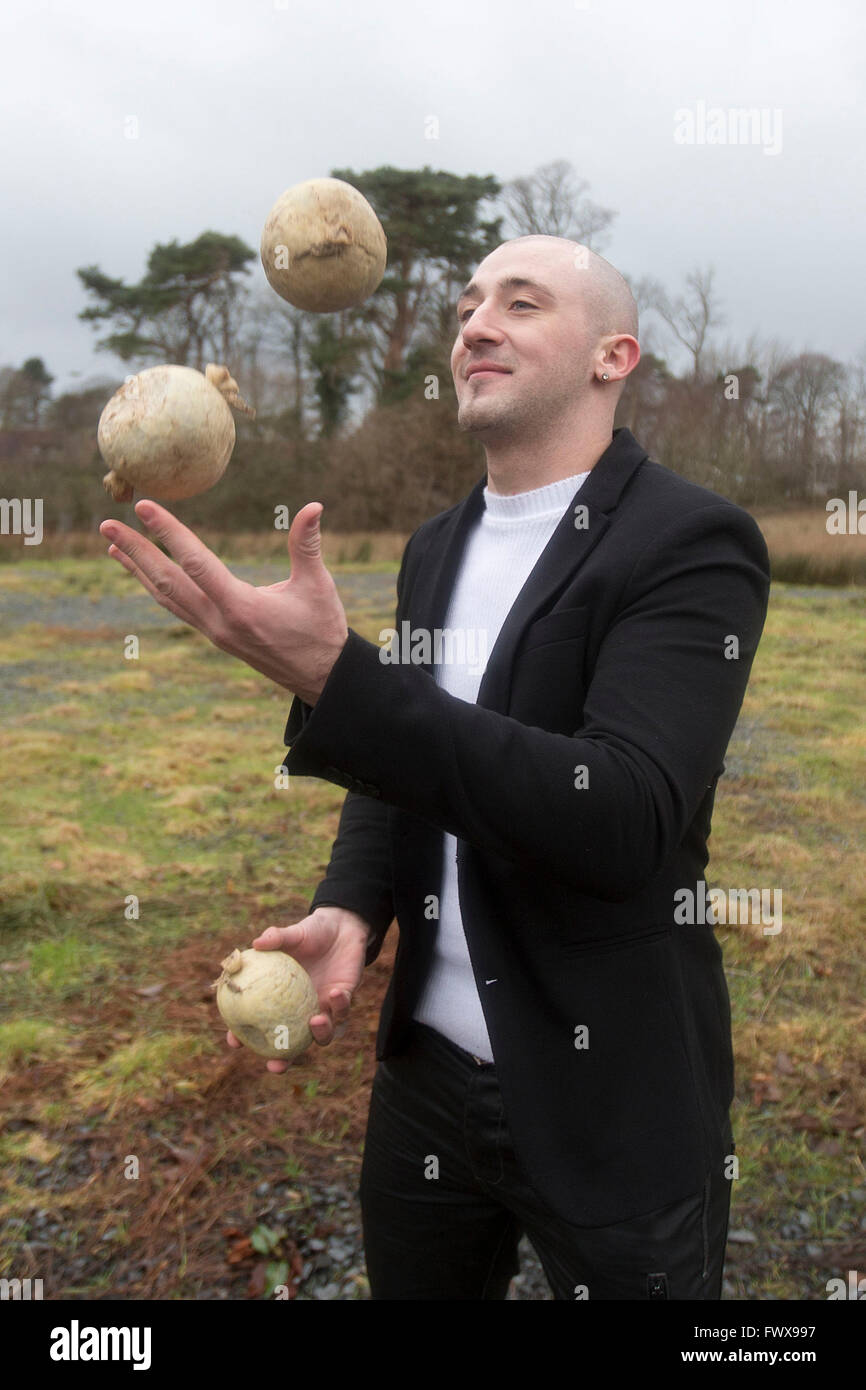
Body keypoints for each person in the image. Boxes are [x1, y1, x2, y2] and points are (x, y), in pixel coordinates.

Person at [101, 235, 771, 1301]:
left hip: (610, 1089)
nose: (473, 325)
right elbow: (402, 763)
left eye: (518, 302)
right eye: (465, 306)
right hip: (424, 1081)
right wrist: (352, 907)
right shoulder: (435, 546)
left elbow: (624, 817)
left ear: (613, 355)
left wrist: (340, 680)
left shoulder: (691, 541)